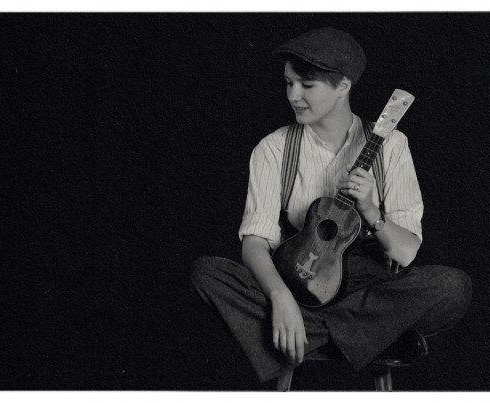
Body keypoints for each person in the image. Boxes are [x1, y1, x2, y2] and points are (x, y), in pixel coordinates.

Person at [191, 27, 472, 386]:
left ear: (343, 86)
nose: (294, 96)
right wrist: (280, 298)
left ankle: (303, 339)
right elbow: (255, 241)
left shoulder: (392, 145)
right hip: (295, 280)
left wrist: (371, 211)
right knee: (207, 272)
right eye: (288, 83)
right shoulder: (273, 148)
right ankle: (370, 336)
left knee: (452, 287)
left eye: (306, 86)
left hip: (366, 287)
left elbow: (405, 252)